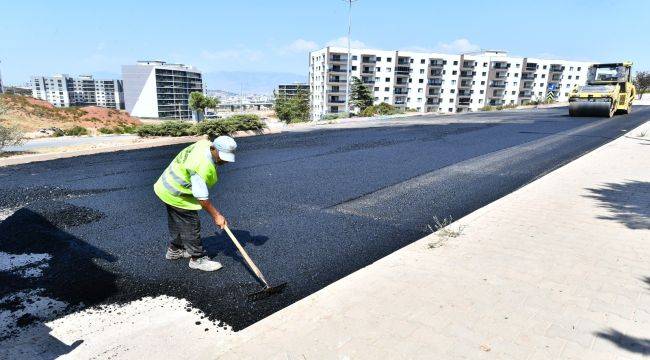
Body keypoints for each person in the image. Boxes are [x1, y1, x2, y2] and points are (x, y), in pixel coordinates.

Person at [153, 136, 237, 271]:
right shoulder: (201, 166)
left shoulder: (205, 144)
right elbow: (202, 198)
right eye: (222, 156)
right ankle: (197, 259)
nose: (224, 160)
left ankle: (175, 250)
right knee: (191, 224)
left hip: (166, 187)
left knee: (177, 221)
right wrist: (217, 216)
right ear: (213, 148)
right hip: (177, 193)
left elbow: (204, 139)